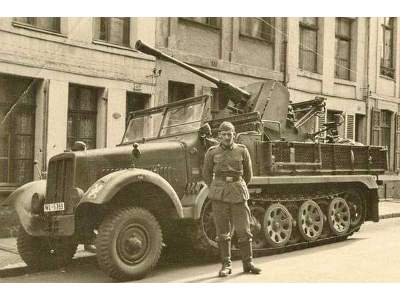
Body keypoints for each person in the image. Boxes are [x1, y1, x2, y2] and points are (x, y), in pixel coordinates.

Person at [202, 121, 261, 277]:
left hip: (238, 193)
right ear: (219, 136)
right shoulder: (212, 152)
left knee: (244, 230)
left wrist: (238, 185)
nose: (227, 137)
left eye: (230, 134)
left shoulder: (242, 151)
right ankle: (226, 265)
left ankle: (248, 264)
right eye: (224, 134)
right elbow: (206, 174)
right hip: (219, 195)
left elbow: (248, 175)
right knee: (223, 232)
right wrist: (217, 186)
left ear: (234, 135)